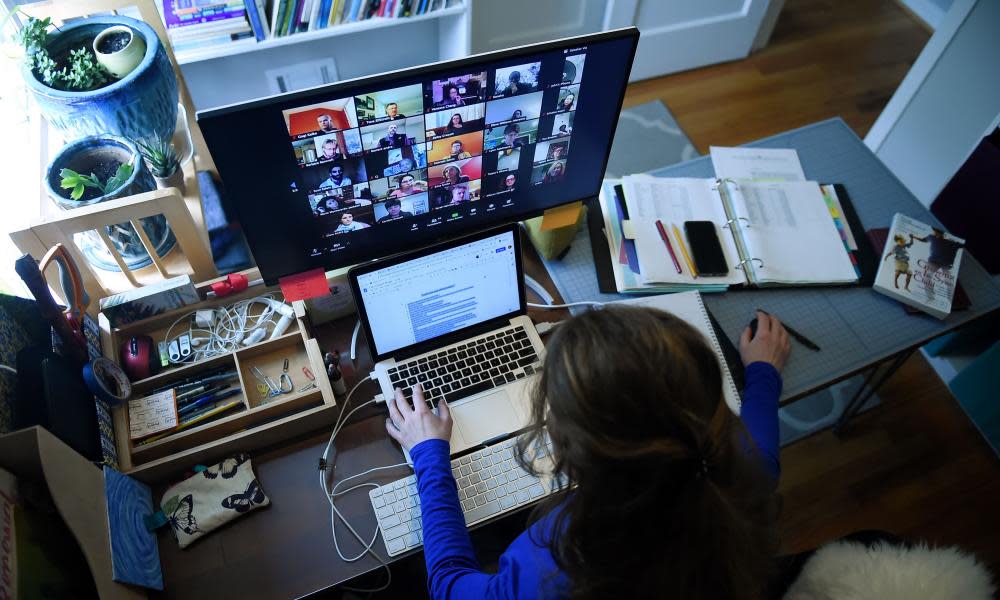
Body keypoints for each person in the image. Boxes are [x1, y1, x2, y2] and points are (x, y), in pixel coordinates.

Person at [386, 307, 789, 599]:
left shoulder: (555, 563)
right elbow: (763, 455)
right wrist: (762, 372)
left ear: (578, 451)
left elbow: (450, 587)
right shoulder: (736, 477)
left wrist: (429, 454)